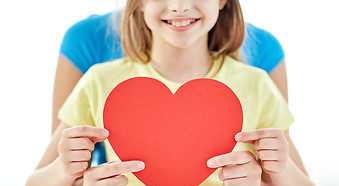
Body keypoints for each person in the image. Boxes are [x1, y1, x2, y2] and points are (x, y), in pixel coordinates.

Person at [23, 0, 318, 186]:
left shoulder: (256, 85)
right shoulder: (99, 81)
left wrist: (275, 178)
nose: (179, 6)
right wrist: (65, 173)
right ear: (137, 3)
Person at [52, 11, 288, 165]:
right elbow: (63, 164)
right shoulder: (96, 66)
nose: (179, 7)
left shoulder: (258, 69)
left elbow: (279, 173)